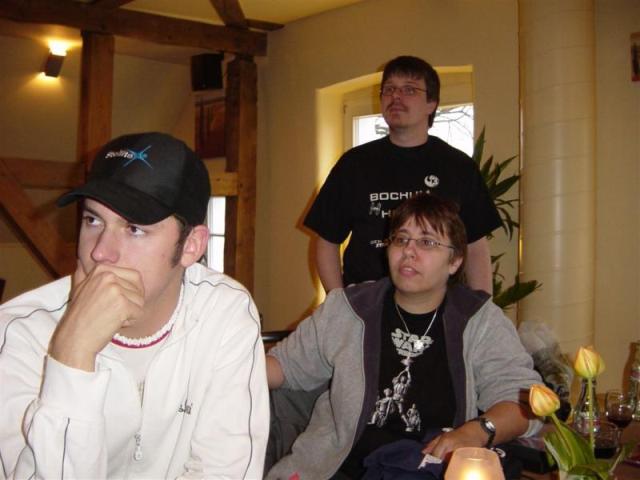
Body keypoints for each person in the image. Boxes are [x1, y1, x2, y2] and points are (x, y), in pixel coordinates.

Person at [0, 132, 269, 479]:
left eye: (134, 229)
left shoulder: (225, 313)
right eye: (93, 220)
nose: (100, 252)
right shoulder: (16, 333)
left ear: (191, 245)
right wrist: (72, 355)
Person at [266, 194, 540, 479]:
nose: (409, 251)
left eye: (427, 242)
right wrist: (235, 361)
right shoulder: (349, 308)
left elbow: (523, 402)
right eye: (400, 239)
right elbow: (284, 367)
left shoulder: (478, 319)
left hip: (428, 469)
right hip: (337, 470)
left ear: (455, 261)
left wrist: (477, 431)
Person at [304, 55, 501, 294]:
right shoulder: (354, 164)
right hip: (366, 303)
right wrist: (338, 303)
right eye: (389, 89)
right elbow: (326, 241)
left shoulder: (458, 166)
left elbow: (475, 246)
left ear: (431, 103)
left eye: (409, 89)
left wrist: (482, 307)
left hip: (439, 306)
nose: (396, 96)